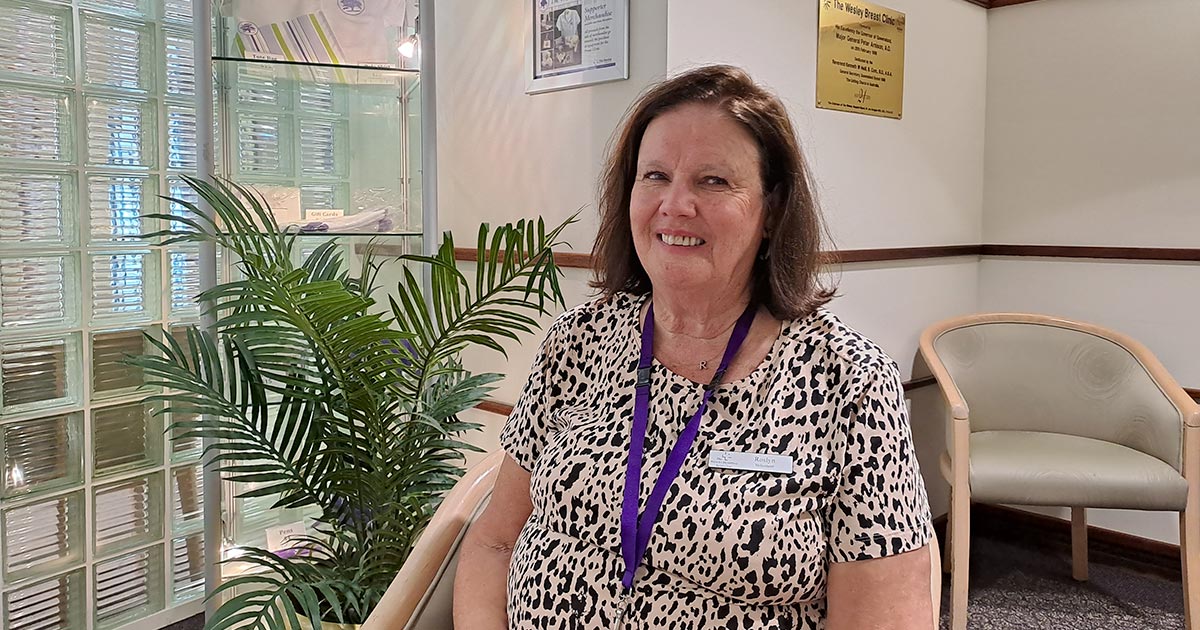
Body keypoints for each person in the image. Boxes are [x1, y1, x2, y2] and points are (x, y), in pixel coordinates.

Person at [454, 64, 933, 629]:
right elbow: (494, 542)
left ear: (773, 209)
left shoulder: (848, 379)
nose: (675, 205)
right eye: (655, 175)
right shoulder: (576, 341)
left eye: (714, 181)